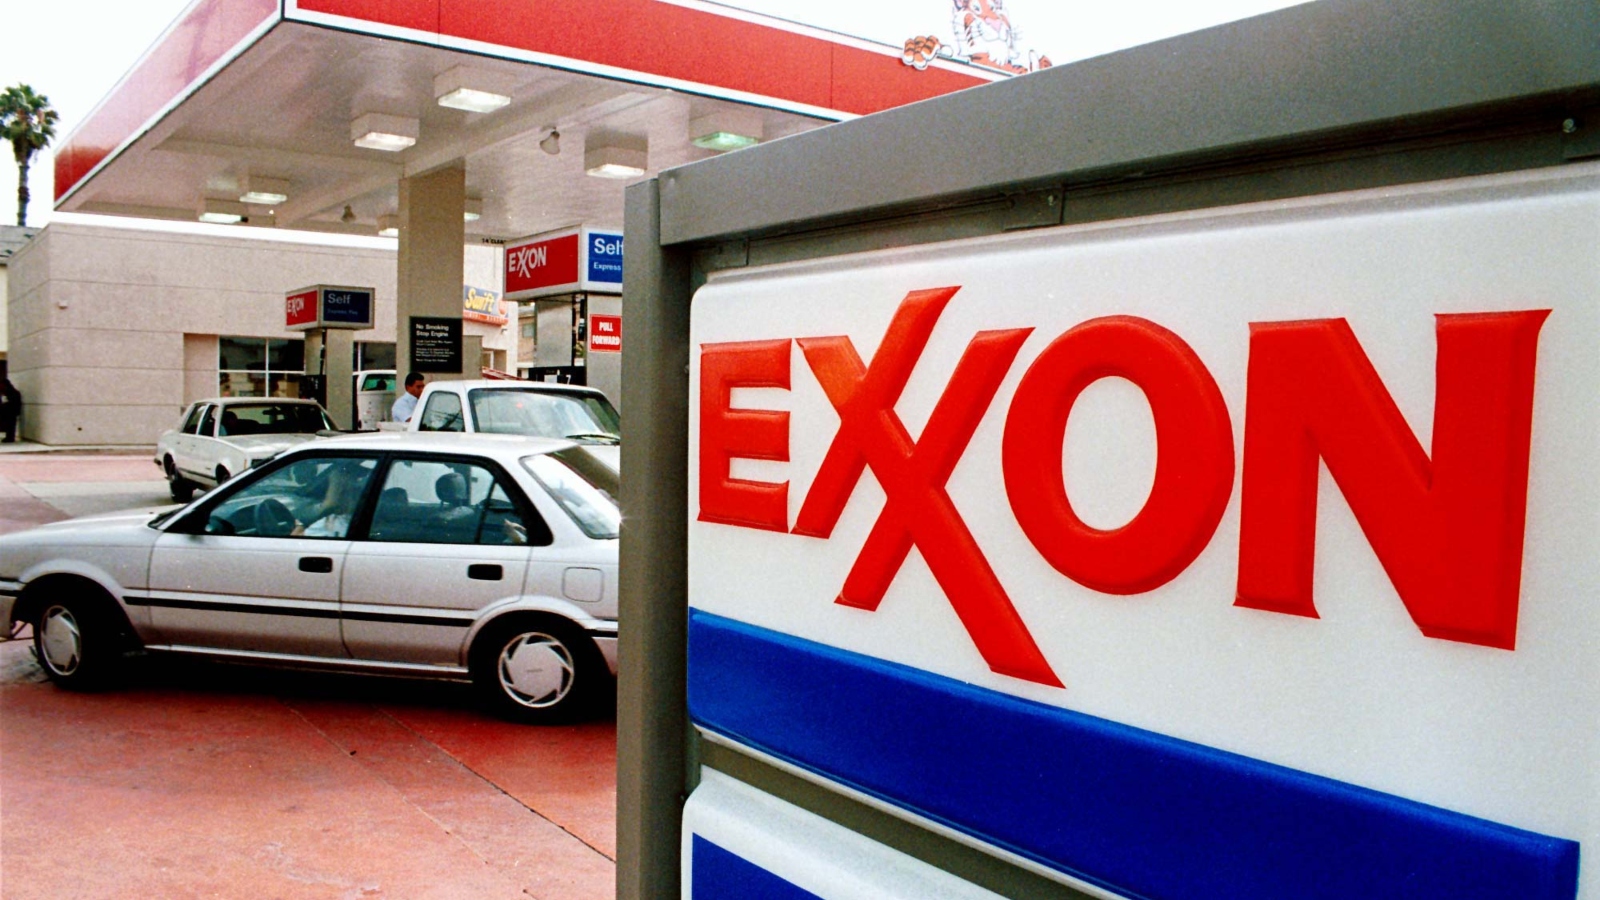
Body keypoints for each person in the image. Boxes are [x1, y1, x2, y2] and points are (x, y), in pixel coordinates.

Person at [0, 379, 21, 443]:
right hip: (5, 411)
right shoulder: (4, 393)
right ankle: (9, 437)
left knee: (10, 425)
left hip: (10, 412)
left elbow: (15, 403)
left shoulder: (13, 393)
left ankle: (10, 438)